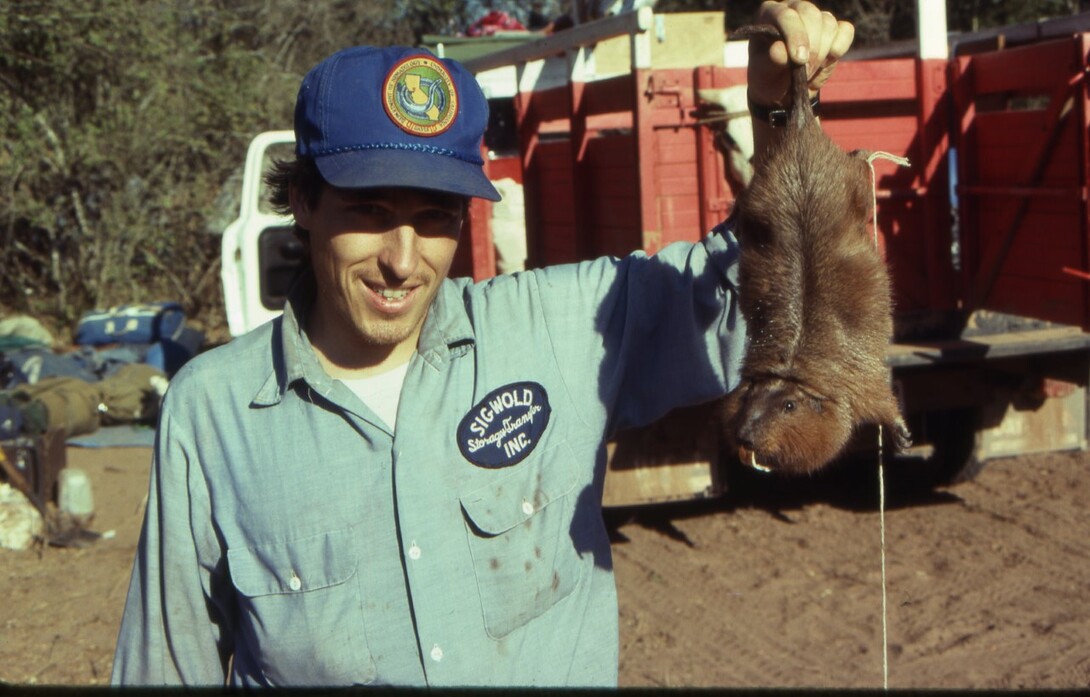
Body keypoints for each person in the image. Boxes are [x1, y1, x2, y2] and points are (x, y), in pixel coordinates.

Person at [111, 0, 854, 687]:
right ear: (303, 203)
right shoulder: (211, 414)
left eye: (435, 216)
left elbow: (735, 303)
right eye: (368, 209)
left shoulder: (554, 331)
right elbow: (165, 667)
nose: (404, 259)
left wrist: (781, 110)